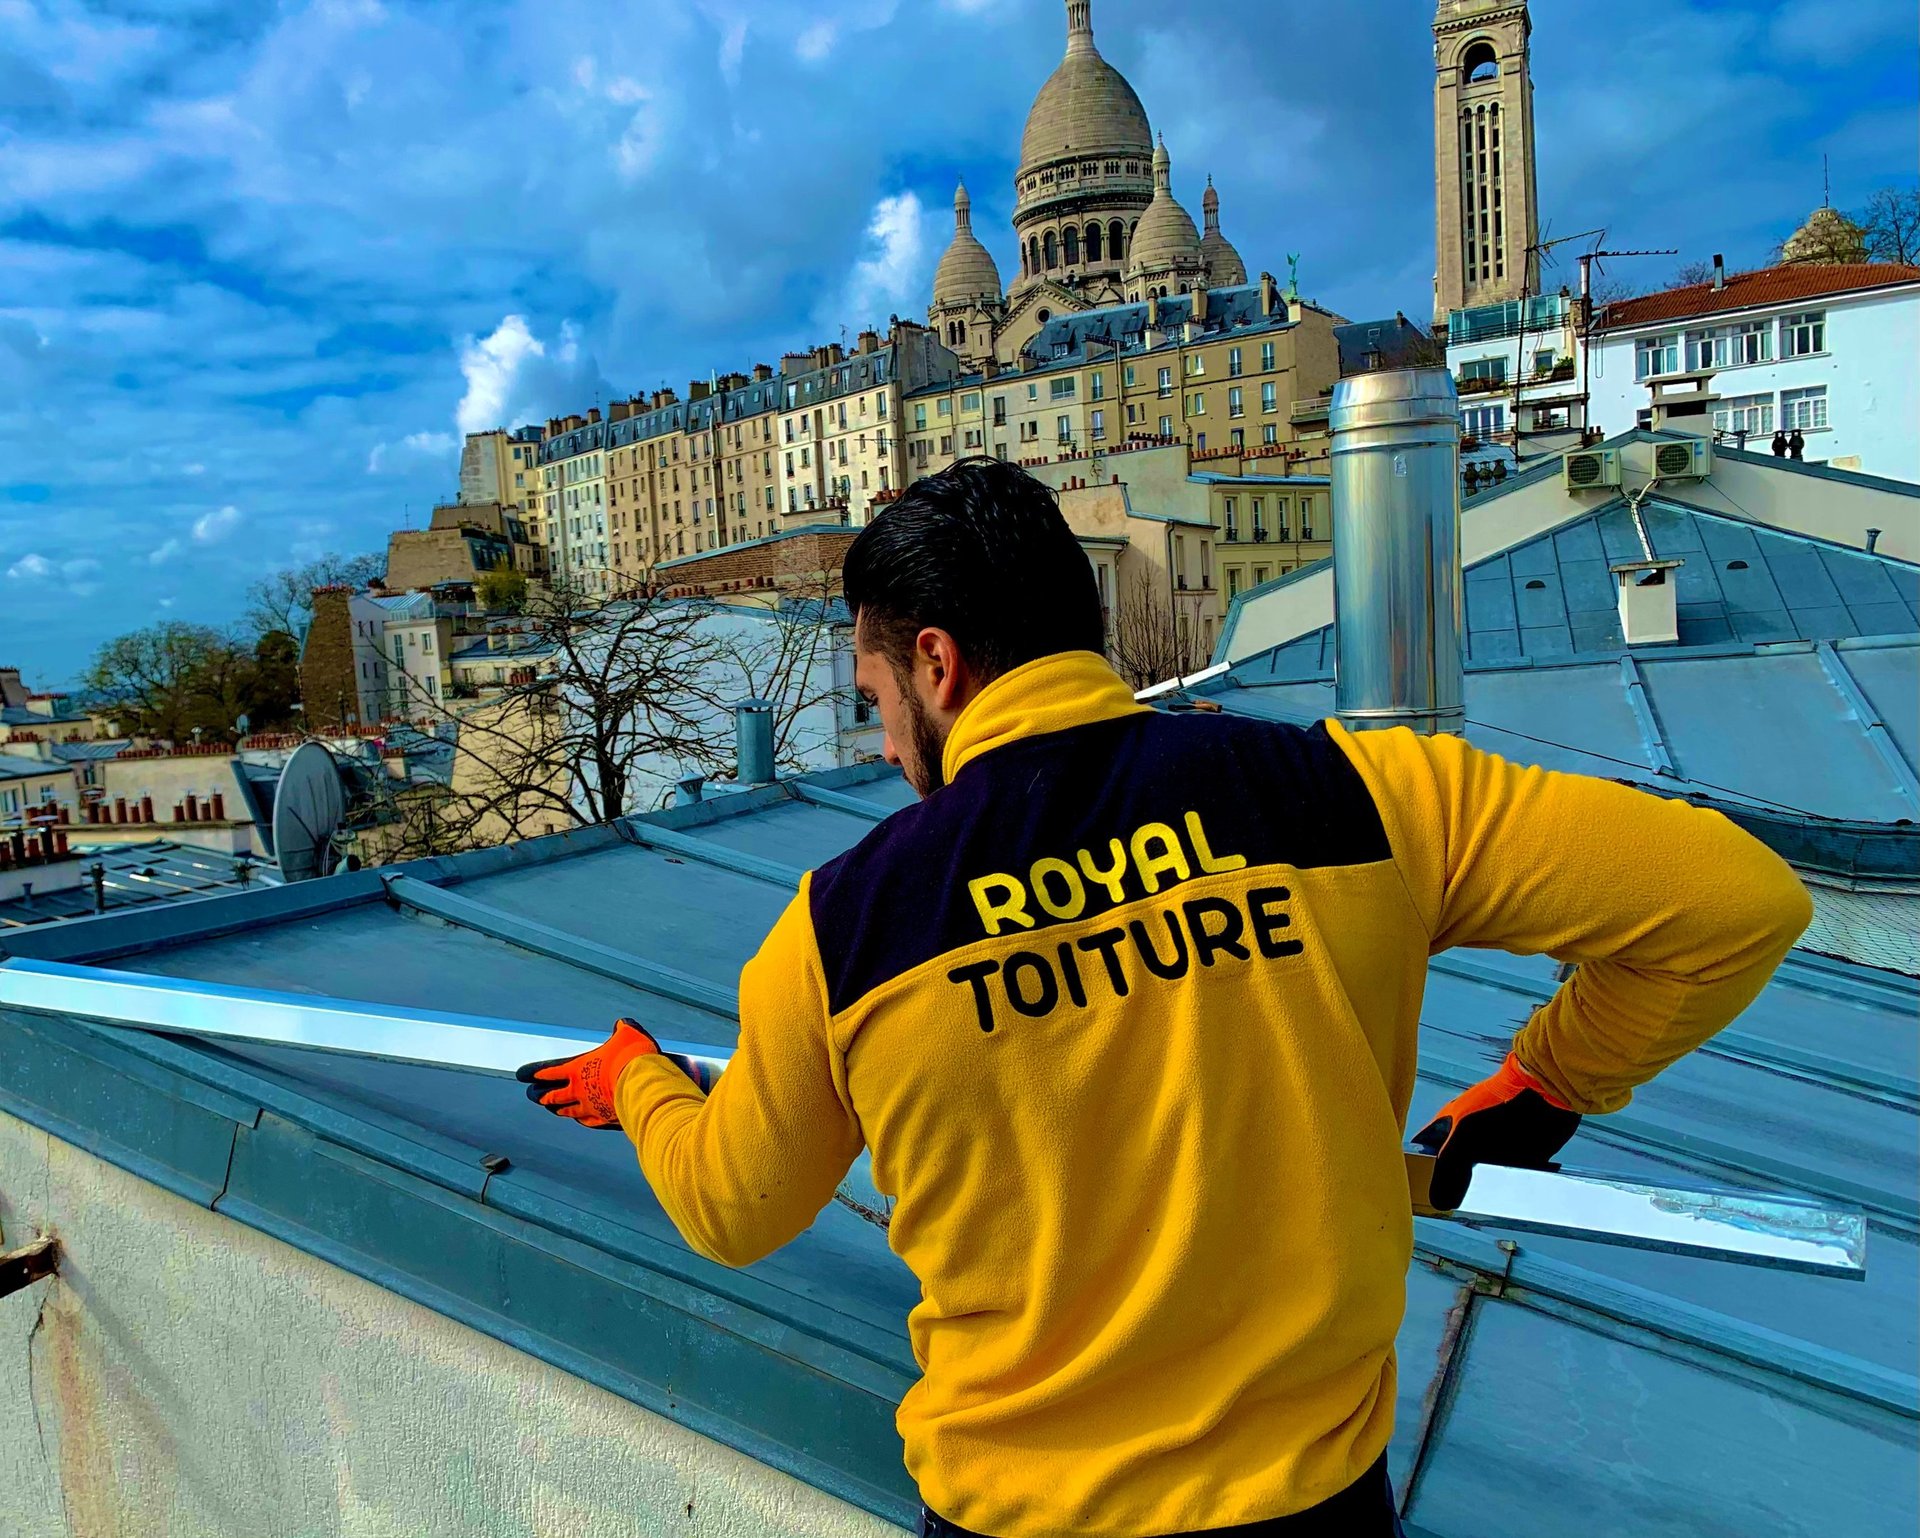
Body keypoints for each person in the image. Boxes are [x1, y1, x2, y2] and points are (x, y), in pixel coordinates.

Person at [521, 459, 1810, 1538]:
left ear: (937, 664)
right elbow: (1735, 903)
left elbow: (734, 1208)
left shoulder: (843, 930)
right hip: (1309, 1510)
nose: (889, 746)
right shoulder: (1360, 793)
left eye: (877, 704)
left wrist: (642, 1081)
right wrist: (1548, 1084)